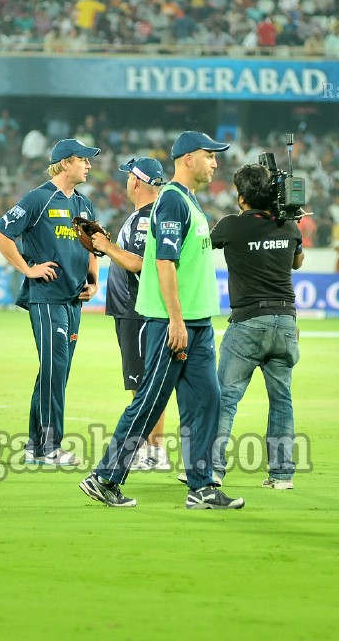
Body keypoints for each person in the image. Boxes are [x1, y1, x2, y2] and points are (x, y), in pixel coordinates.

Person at [80, 131, 245, 510]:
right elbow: (163, 263)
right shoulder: (172, 201)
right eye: (209, 156)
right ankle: (105, 478)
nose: (215, 163)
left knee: (207, 400)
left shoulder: (187, 201)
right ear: (188, 158)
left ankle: (202, 486)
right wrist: (175, 319)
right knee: (150, 401)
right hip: (173, 321)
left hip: (198, 321)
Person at [0, 138, 101, 466]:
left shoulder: (84, 204)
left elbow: (94, 244)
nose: (89, 165)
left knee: (57, 371)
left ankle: (35, 445)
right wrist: (27, 268)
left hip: (73, 299)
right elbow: (0, 233)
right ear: (65, 162)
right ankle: (51, 446)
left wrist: (94, 281)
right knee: (54, 369)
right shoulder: (39, 198)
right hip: (47, 297)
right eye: (83, 160)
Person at [210, 164, 304, 491]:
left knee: (225, 397)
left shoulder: (230, 227)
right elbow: (297, 261)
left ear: (240, 197)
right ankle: (282, 475)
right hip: (285, 322)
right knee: (282, 399)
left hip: (248, 322)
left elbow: (206, 245)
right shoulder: (289, 227)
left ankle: (212, 470)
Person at [90, 157, 169, 471]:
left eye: (128, 177)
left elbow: (137, 263)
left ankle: (151, 451)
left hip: (137, 311)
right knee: (147, 382)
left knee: (143, 384)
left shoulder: (143, 219)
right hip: (139, 311)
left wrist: (106, 247)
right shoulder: (151, 215)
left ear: (136, 182)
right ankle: (152, 450)